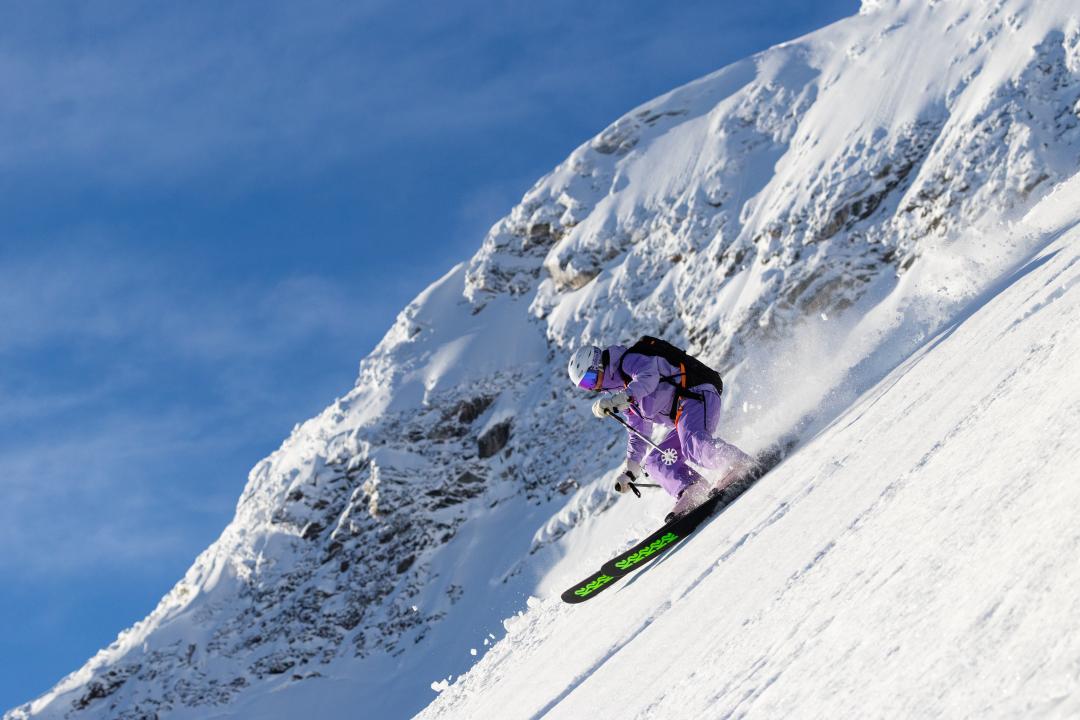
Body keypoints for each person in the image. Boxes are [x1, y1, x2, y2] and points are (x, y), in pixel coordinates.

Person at [568, 340, 757, 519]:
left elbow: (648, 378)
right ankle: (693, 489)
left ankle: (737, 464)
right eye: (586, 386)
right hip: (683, 416)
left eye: (590, 379)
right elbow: (637, 432)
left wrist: (618, 400)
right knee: (657, 461)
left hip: (698, 395)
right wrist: (630, 470)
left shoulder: (630, 360)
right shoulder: (624, 392)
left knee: (693, 444)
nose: (593, 386)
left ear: (598, 364)